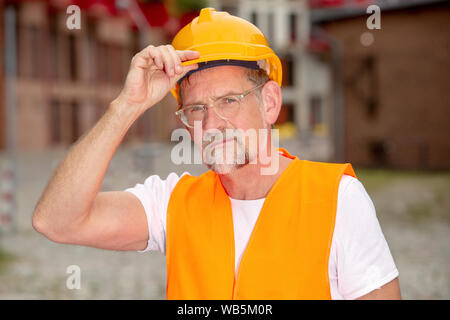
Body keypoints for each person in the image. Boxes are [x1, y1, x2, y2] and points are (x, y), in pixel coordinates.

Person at [32, 8, 401, 300]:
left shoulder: (337, 199)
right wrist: (126, 106)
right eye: (196, 109)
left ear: (270, 102)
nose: (212, 123)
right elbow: (56, 220)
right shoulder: (172, 203)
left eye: (229, 100)